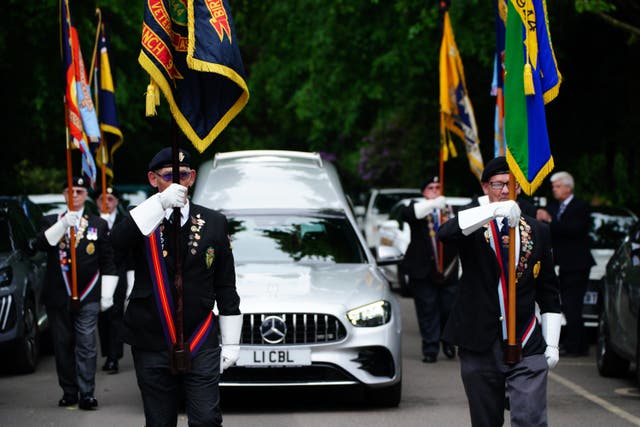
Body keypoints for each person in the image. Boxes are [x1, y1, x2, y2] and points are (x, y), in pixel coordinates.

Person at [110, 147, 242, 427]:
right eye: (168, 176)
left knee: (206, 419)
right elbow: (116, 243)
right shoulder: (142, 219)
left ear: (192, 178)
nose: (177, 182)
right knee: (159, 422)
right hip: (151, 339)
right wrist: (159, 204)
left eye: (182, 175)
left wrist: (231, 341)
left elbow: (225, 283)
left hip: (200, 338)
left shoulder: (214, 222)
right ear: (153, 179)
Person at [438, 156, 562, 426]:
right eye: (498, 184)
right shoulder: (472, 222)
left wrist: (552, 342)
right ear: (485, 187)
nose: (505, 191)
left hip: (526, 341)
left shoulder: (537, 230)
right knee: (486, 421)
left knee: (530, 419)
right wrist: (492, 211)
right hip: (480, 339)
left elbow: (549, 291)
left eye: (511, 184)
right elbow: (445, 234)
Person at [33, 177, 118, 410]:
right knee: (62, 345)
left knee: (87, 345)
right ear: (63, 195)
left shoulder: (98, 224)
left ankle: (87, 393)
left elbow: (108, 261)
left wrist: (107, 294)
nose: (75, 195)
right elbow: (40, 244)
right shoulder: (51, 221)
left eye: (79, 191)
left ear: (86, 195)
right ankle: (69, 391)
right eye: (70, 191)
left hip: (88, 296)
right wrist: (62, 226)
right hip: (59, 297)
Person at [400, 175, 459, 363]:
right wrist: (434, 203)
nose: (435, 190)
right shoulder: (416, 208)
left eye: (438, 187)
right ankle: (430, 349)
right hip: (423, 271)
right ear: (424, 192)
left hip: (448, 270)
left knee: (448, 310)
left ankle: (448, 341)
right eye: (431, 187)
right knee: (427, 310)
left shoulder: (450, 210)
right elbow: (411, 214)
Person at [536, 171, 595, 357]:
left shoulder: (581, 207)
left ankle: (577, 344)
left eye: (558, 186)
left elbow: (573, 229)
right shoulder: (554, 207)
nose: (554, 190)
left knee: (573, 305)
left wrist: (551, 221)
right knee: (567, 305)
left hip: (577, 264)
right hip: (561, 264)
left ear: (568, 187)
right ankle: (575, 342)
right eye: (553, 187)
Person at [96, 187, 133, 374]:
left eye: (110, 199)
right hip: (98, 275)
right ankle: (107, 352)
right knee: (102, 316)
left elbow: (130, 250)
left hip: (118, 273)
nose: (106, 203)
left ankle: (114, 357)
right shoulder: (93, 223)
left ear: (117, 201)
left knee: (115, 315)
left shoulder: (123, 221)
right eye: (102, 199)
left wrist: (130, 276)